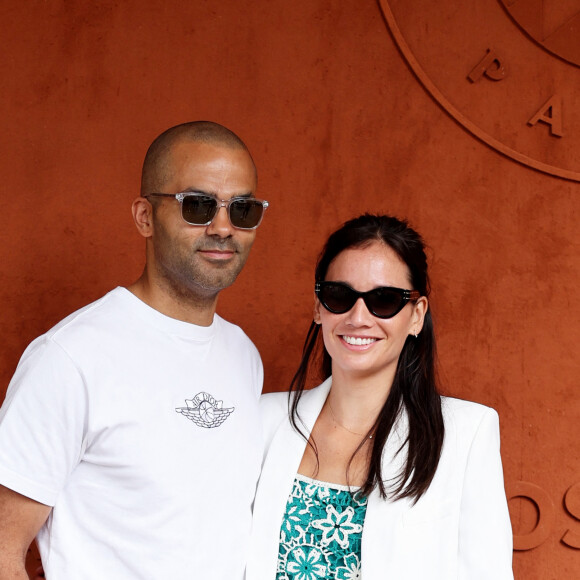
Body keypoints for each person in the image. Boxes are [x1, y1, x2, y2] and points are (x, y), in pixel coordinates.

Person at [0, 121, 269, 579]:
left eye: (242, 209)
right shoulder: (70, 358)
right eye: (198, 206)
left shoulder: (243, 355)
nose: (223, 228)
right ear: (145, 216)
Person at [247, 214, 513, 579]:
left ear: (417, 315)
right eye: (339, 296)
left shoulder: (466, 433)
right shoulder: (262, 419)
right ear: (318, 307)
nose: (358, 317)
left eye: (384, 300)